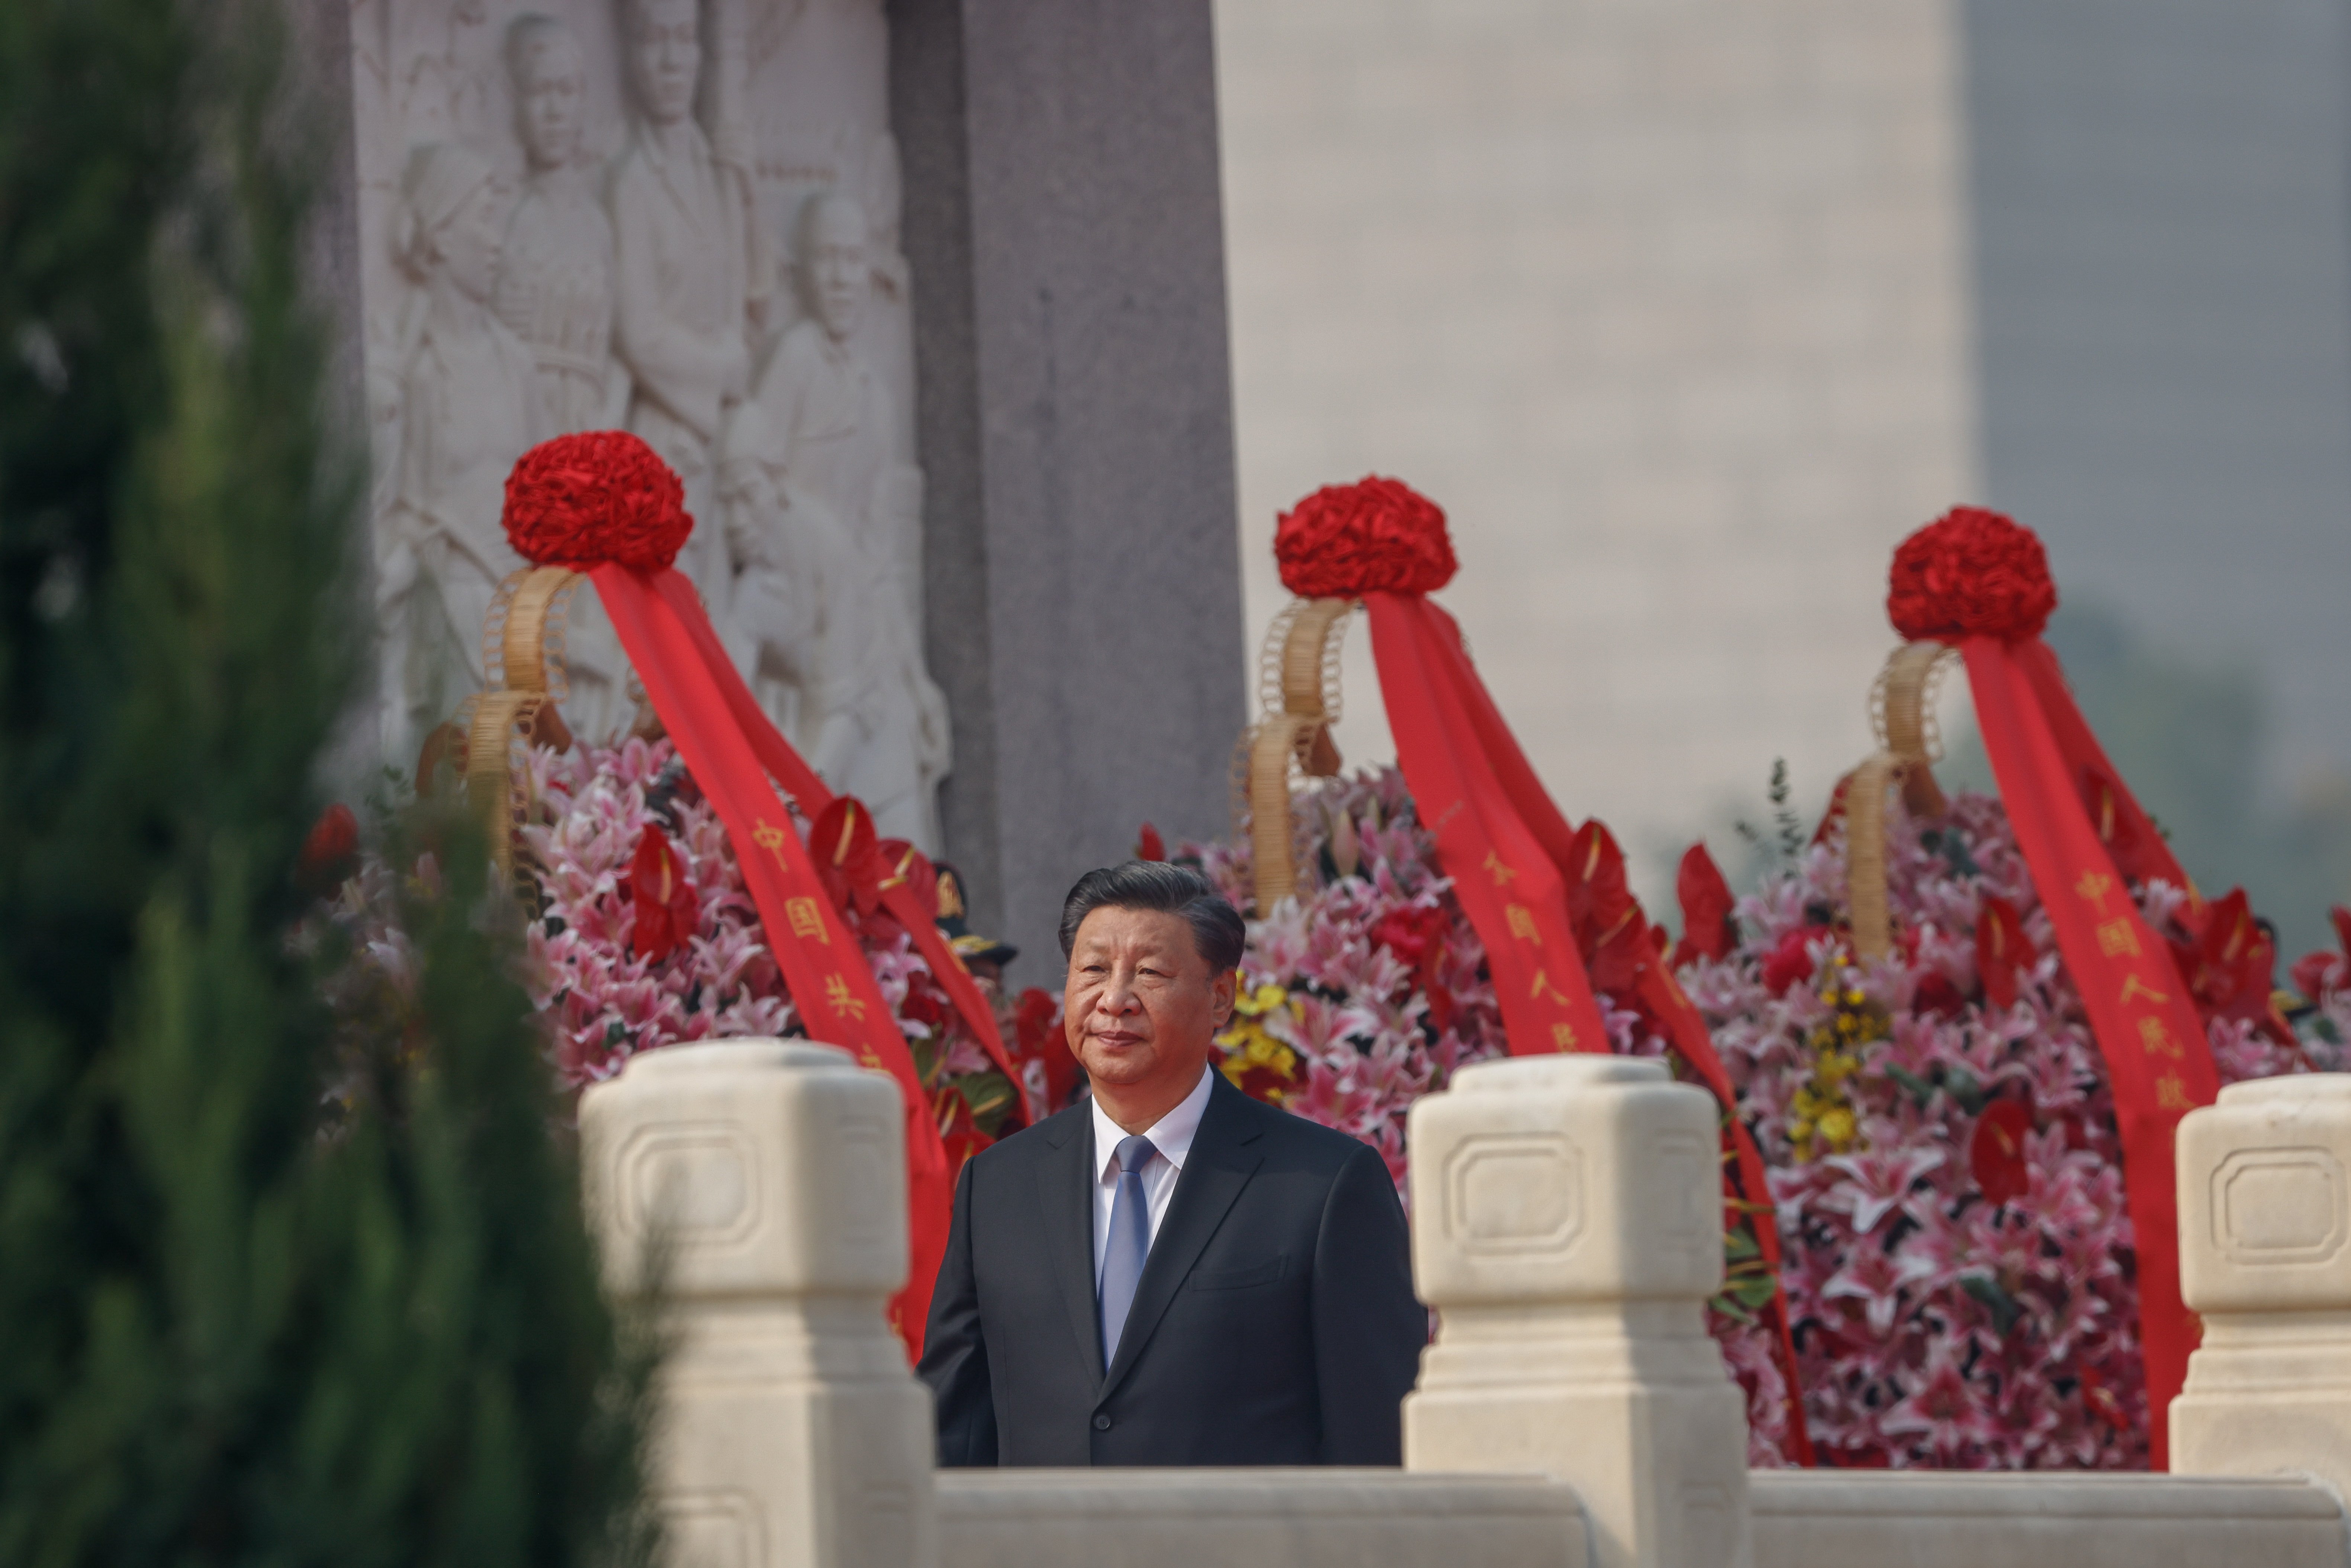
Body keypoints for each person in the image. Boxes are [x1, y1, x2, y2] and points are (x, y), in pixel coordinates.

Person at [918, 862, 1426, 1466]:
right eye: (1093, 970)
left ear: (1220, 998)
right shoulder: (998, 1187)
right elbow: (953, 1434)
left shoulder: (1323, 1186)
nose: (1114, 999)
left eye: (1150, 973)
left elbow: (1374, 1440)